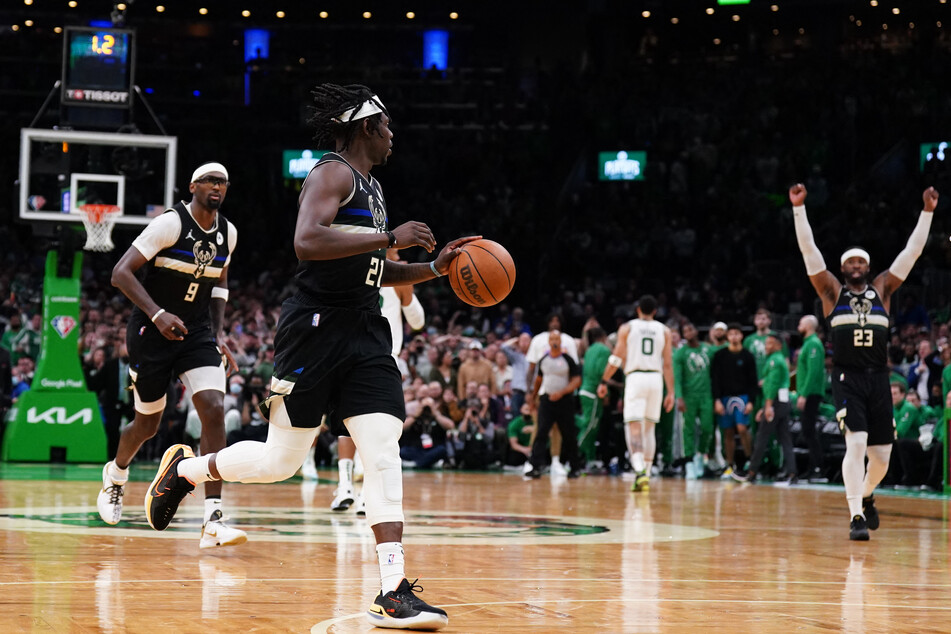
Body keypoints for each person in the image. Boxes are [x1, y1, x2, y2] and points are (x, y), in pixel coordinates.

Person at [144, 84, 473, 629]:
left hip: (366, 330)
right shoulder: (333, 173)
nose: (393, 135)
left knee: (382, 452)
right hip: (315, 328)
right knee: (281, 463)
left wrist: (433, 270)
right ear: (366, 127)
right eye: (387, 126)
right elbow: (307, 241)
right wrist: (390, 236)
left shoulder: (374, 186)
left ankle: (393, 589)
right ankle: (188, 469)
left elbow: (373, 269)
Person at [96, 161, 246, 550]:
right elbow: (121, 272)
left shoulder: (228, 233)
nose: (217, 187)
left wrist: (217, 333)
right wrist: (158, 314)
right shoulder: (170, 223)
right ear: (193, 186)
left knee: (213, 407)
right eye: (210, 181)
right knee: (147, 425)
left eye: (223, 183)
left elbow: (220, 284)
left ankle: (213, 518)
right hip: (152, 330)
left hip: (196, 332)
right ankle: (116, 474)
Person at [790, 182, 937, 540]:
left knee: (882, 456)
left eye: (861, 262)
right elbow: (809, 251)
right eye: (850, 262)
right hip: (847, 377)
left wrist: (927, 212)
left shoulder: (884, 289)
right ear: (843, 268)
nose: (856, 266)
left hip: (879, 378)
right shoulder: (830, 291)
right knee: (856, 443)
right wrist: (798, 208)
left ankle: (868, 493)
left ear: (868, 267)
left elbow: (911, 252)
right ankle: (855, 514)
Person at [329, 247, 425, 514]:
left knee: (348, 424)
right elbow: (418, 321)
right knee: (375, 429)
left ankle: (346, 487)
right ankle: (359, 494)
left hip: (348, 354)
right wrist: (407, 291)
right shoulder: (399, 275)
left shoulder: (353, 266)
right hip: (382, 358)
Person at [597, 295, 675, 492]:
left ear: (638, 309)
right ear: (655, 311)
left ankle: (639, 468)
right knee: (649, 428)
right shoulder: (664, 330)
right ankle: (646, 474)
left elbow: (617, 357)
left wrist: (604, 380)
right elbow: (667, 364)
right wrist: (671, 392)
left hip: (636, 377)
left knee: (634, 426)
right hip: (656, 379)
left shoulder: (628, 328)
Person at [526, 330, 583, 479]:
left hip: (564, 401)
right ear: (549, 342)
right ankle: (536, 466)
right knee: (541, 432)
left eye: (557, 339)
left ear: (561, 341)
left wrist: (562, 392)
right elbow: (538, 380)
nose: (555, 341)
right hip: (547, 400)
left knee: (569, 434)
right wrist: (533, 398)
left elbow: (577, 380)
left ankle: (575, 467)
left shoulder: (568, 359)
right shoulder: (543, 359)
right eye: (552, 339)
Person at [746, 332, 796, 483]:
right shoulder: (779, 360)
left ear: (778, 346)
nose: (765, 346)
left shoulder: (775, 361)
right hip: (781, 403)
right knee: (785, 439)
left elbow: (773, 385)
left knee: (762, 437)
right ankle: (792, 473)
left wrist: (767, 407)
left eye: (769, 343)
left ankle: (752, 472)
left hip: (775, 404)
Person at [712, 324, 758, 479]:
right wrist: (717, 400)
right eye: (730, 334)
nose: (733, 336)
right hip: (725, 398)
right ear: (727, 337)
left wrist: (751, 400)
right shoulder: (720, 356)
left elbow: (753, 381)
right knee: (728, 432)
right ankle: (730, 464)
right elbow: (715, 380)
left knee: (742, 428)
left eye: (736, 333)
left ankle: (748, 460)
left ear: (741, 336)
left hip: (743, 397)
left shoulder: (748, 356)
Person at [673, 322, 715, 480]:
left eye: (691, 329)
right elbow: (677, 377)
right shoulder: (680, 353)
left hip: (706, 395)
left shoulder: (707, 349)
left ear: (696, 331)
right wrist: (679, 397)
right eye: (685, 331)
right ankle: (689, 461)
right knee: (687, 430)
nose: (688, 333)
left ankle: (700, 455)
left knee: (707, 428)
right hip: (689, 396)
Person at [795, 315, 828, 483]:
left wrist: (804, 394)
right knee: (808, 432)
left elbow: (814, 372)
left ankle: (818, 469)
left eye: (800, 323)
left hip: (811, 393)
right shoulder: (809, 343)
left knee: (809, 431)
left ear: (808, 326)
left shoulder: (814, 344)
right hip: (808, 393)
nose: (798, 326)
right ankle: (813, 468)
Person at [577, 327, 611, 467]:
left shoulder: (589, 350)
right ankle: (573, 454)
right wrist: (606, 393)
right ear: (604, 336)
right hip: (594, 392)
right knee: (590, 426)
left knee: (592, 426)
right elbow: (601, 372)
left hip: (585, 390)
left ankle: (590, 459)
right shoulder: (604, 350)